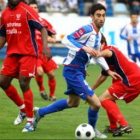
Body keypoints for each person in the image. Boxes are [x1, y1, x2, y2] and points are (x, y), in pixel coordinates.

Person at [33, 3, 121, 139]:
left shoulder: (99, 35)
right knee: (96, 103)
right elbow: (67, 39)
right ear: (92, 17)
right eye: (98, 15)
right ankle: (92, 130)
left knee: (72, 103)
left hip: (77, 70)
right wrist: (84, 48)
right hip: (72, 71)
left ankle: (40, 112)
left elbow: (97, 55)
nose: (101, 18)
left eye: (103, 16)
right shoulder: (87, 29)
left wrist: (108, 70)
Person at [0, 0, 51, 132]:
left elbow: (42, 27)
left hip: (28, 53)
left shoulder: (27, 10)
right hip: (12, 54)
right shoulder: (4, 13)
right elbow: (2, 36)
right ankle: (22, 109)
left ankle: (30, 121)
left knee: (23, 82)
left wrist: (45, 47)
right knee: (2, 82)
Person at [92, 34, 140, 137]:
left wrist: (99, 53)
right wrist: (91, 90)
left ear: (103, 43)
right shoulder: (105, 60)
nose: (93, 48)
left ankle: (124, 124)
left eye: (95, 45)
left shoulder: (108, 50)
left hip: (130, 79)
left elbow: (109, 52)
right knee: (109, 99)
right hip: (129, 78)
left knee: (102, 99)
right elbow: (103, 76)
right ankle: (113, 127)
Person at [29, 1, 59, 101]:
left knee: (51, 74)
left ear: (38, 9)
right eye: (32, 8)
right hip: (34, 54)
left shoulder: (43, 21)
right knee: (40, 72)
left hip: (45, 53)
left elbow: (53, 34)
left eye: (35, 7)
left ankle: (52, 95)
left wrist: (52, 39)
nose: (34, 9)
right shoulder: (26, 23)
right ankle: (42, 89)